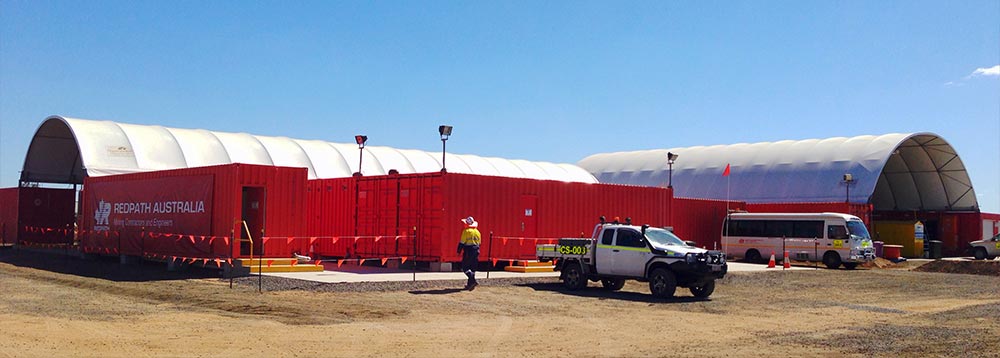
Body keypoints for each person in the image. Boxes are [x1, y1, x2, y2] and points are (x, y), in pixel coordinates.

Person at [457, 216, 481, 290]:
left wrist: (458, 251)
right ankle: (470, 284)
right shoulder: (477, 232)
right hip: (476, 250)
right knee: (473, 267)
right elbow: (479, 243)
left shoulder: (466, 231)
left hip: (468, 250)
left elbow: (462, 242)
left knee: (465, 267)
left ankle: (473, 281)